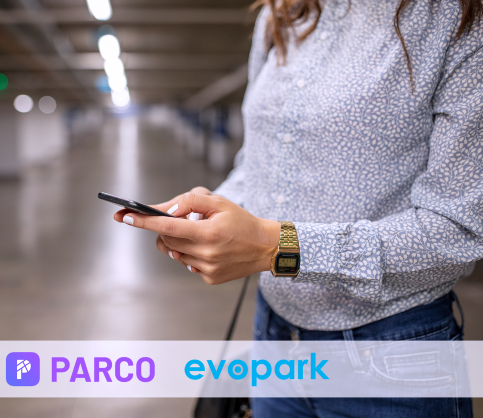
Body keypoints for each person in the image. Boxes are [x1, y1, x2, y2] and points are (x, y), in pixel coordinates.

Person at [114, 0, 482, 416]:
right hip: (275, 337)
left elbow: (459, 229)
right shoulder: (282, 13)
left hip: (390, 355)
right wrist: (210, 210)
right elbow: (258, 162)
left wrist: (276, 248)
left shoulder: (454, 18)